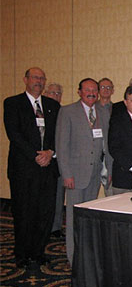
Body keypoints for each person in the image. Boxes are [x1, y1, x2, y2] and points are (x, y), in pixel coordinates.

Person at [4, 67, 60, 268]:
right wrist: (36, 155)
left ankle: (38, 251)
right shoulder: (12, 103)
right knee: (24, 212)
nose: (39, 81)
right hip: (24, 169)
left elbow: (56, 134)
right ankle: (22, 253)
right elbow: (14, 134)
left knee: (45, 212)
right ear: (25, 79)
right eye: (35, 77)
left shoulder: (52, 105)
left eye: (42, 78)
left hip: (48, 168)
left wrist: (50, 152)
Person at [56, 78, 112, 266]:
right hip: (75, 176)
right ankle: (73, 258)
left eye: (94, 90)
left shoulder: (102, 113)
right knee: (73, 218)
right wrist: (66, 174)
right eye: (87, 89)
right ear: (79, 91)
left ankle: (87, 256)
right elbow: (61, 146)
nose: (91, 93)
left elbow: (107, 146)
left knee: (88, 217)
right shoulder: (67, 111)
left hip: (95, 175)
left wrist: (109, 170)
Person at [43, 83, 66, 238]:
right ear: (45, 93)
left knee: (58, 197)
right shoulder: (39, 111)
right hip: (40, 160)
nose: (55, 96)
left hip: (59, 161)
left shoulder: (64, 112)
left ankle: (55, 227)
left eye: (58, 93)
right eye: (52, 93)